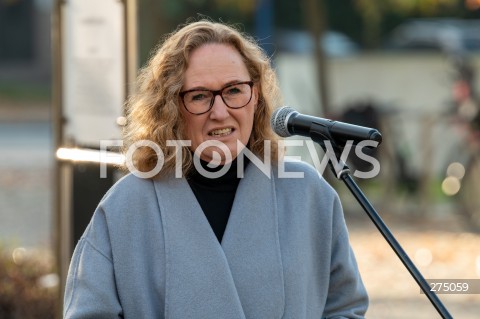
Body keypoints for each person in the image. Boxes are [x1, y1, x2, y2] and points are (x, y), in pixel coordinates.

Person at [63, 19, 368, 318]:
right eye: (199, 96)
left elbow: (345, 308)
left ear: (256, 96)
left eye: (234, 90)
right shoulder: (126, 207)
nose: (220, 113)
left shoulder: (307, 195)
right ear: (170, 108)